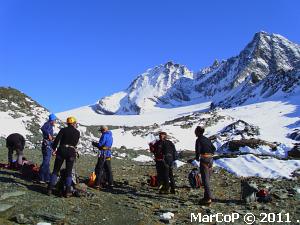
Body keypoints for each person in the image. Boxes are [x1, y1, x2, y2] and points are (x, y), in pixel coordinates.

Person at [47, 116, 80, 197]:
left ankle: (50, 189)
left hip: (61, 150)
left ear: (68, 123)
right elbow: (75, 143)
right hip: (71, 152)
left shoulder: (63, 130)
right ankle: (68, 191)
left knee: (55, 170)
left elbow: (57, 140)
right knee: (69, 172)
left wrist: (54, 149)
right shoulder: (77, 132)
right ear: (74, 123)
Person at [195, 126, 216, 205]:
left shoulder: (198, 140)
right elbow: (213, 148)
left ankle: (209, 198)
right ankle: (206, 197)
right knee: (208, 179)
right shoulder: (207, 139)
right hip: (211, 159)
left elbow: (198, 150)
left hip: (204, 159)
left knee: (205, 179)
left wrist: (197, 157)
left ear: (197, 132)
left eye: (195, 131)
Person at [92, 125, 113, 189]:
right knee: (108, 169)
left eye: (101, 131)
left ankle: (97, 184)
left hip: (103, 154)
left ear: (103, 130)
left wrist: (94, 144)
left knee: (99, 168)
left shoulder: (104, 135)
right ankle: (110, 183)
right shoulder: (110, 136)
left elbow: (100, 144)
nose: (101, 132)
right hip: (108, 154)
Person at [39, 113, 57, 183]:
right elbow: (42, 128)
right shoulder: (47, 124)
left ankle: (46, 177)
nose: (55, 122)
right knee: (46, 161)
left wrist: (53, 149)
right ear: (52, 120)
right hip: (46, 145)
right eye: (55, 120)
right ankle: (42, 178)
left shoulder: (50, 125)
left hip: (48, 145)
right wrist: (48, 134)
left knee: (47, 162)